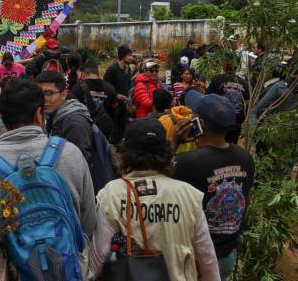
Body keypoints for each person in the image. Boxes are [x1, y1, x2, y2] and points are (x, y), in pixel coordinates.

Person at [0, 77, 96, 241]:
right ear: (39, 115)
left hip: (9, 264)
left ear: (3, 118)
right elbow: (89, 222)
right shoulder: (70, 153)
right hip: (68, 262)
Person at [88, 117, 220, 280]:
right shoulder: (188, 194)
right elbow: (207, 259)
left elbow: (99, 258)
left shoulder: (112, 194)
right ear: (165, 151)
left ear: (125, 152)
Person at [172, 93, 255, 280]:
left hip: (195, 257)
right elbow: (245, 202)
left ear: (200, 123)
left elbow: (156, 181)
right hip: (227, 254)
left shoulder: (187, 162)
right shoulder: (245, 158)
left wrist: (173, 143)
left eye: (193, 116)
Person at [38, 70, 94, 167]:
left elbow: (80, 165)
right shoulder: (55, 115)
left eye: (48, 94)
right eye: (39, 95)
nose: (43, 100)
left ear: (64, 94)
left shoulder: (74, 124)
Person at [70, 62, 119, 143]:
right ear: (97, 72)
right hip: (104, 130)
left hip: (84, 129)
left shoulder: (77, 88)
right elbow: (115, 111)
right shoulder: (110, 88)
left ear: (83, 74)